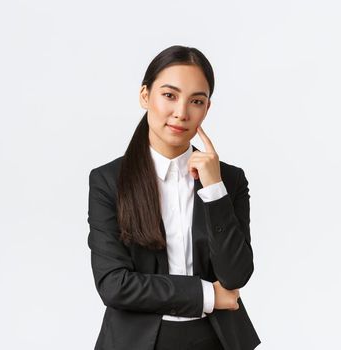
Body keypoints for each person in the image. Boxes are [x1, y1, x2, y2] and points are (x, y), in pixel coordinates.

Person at [87, 45, 260, 350]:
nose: (182, 112)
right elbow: (114, 285)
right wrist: (207, 295)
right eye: (169, 95)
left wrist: (214, 191)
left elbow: (236, 274)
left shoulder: (229, 180)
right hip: (136, 342)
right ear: (145, 96)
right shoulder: (108, 182)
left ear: (206, 109)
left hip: (215, 340)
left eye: (196, 101)